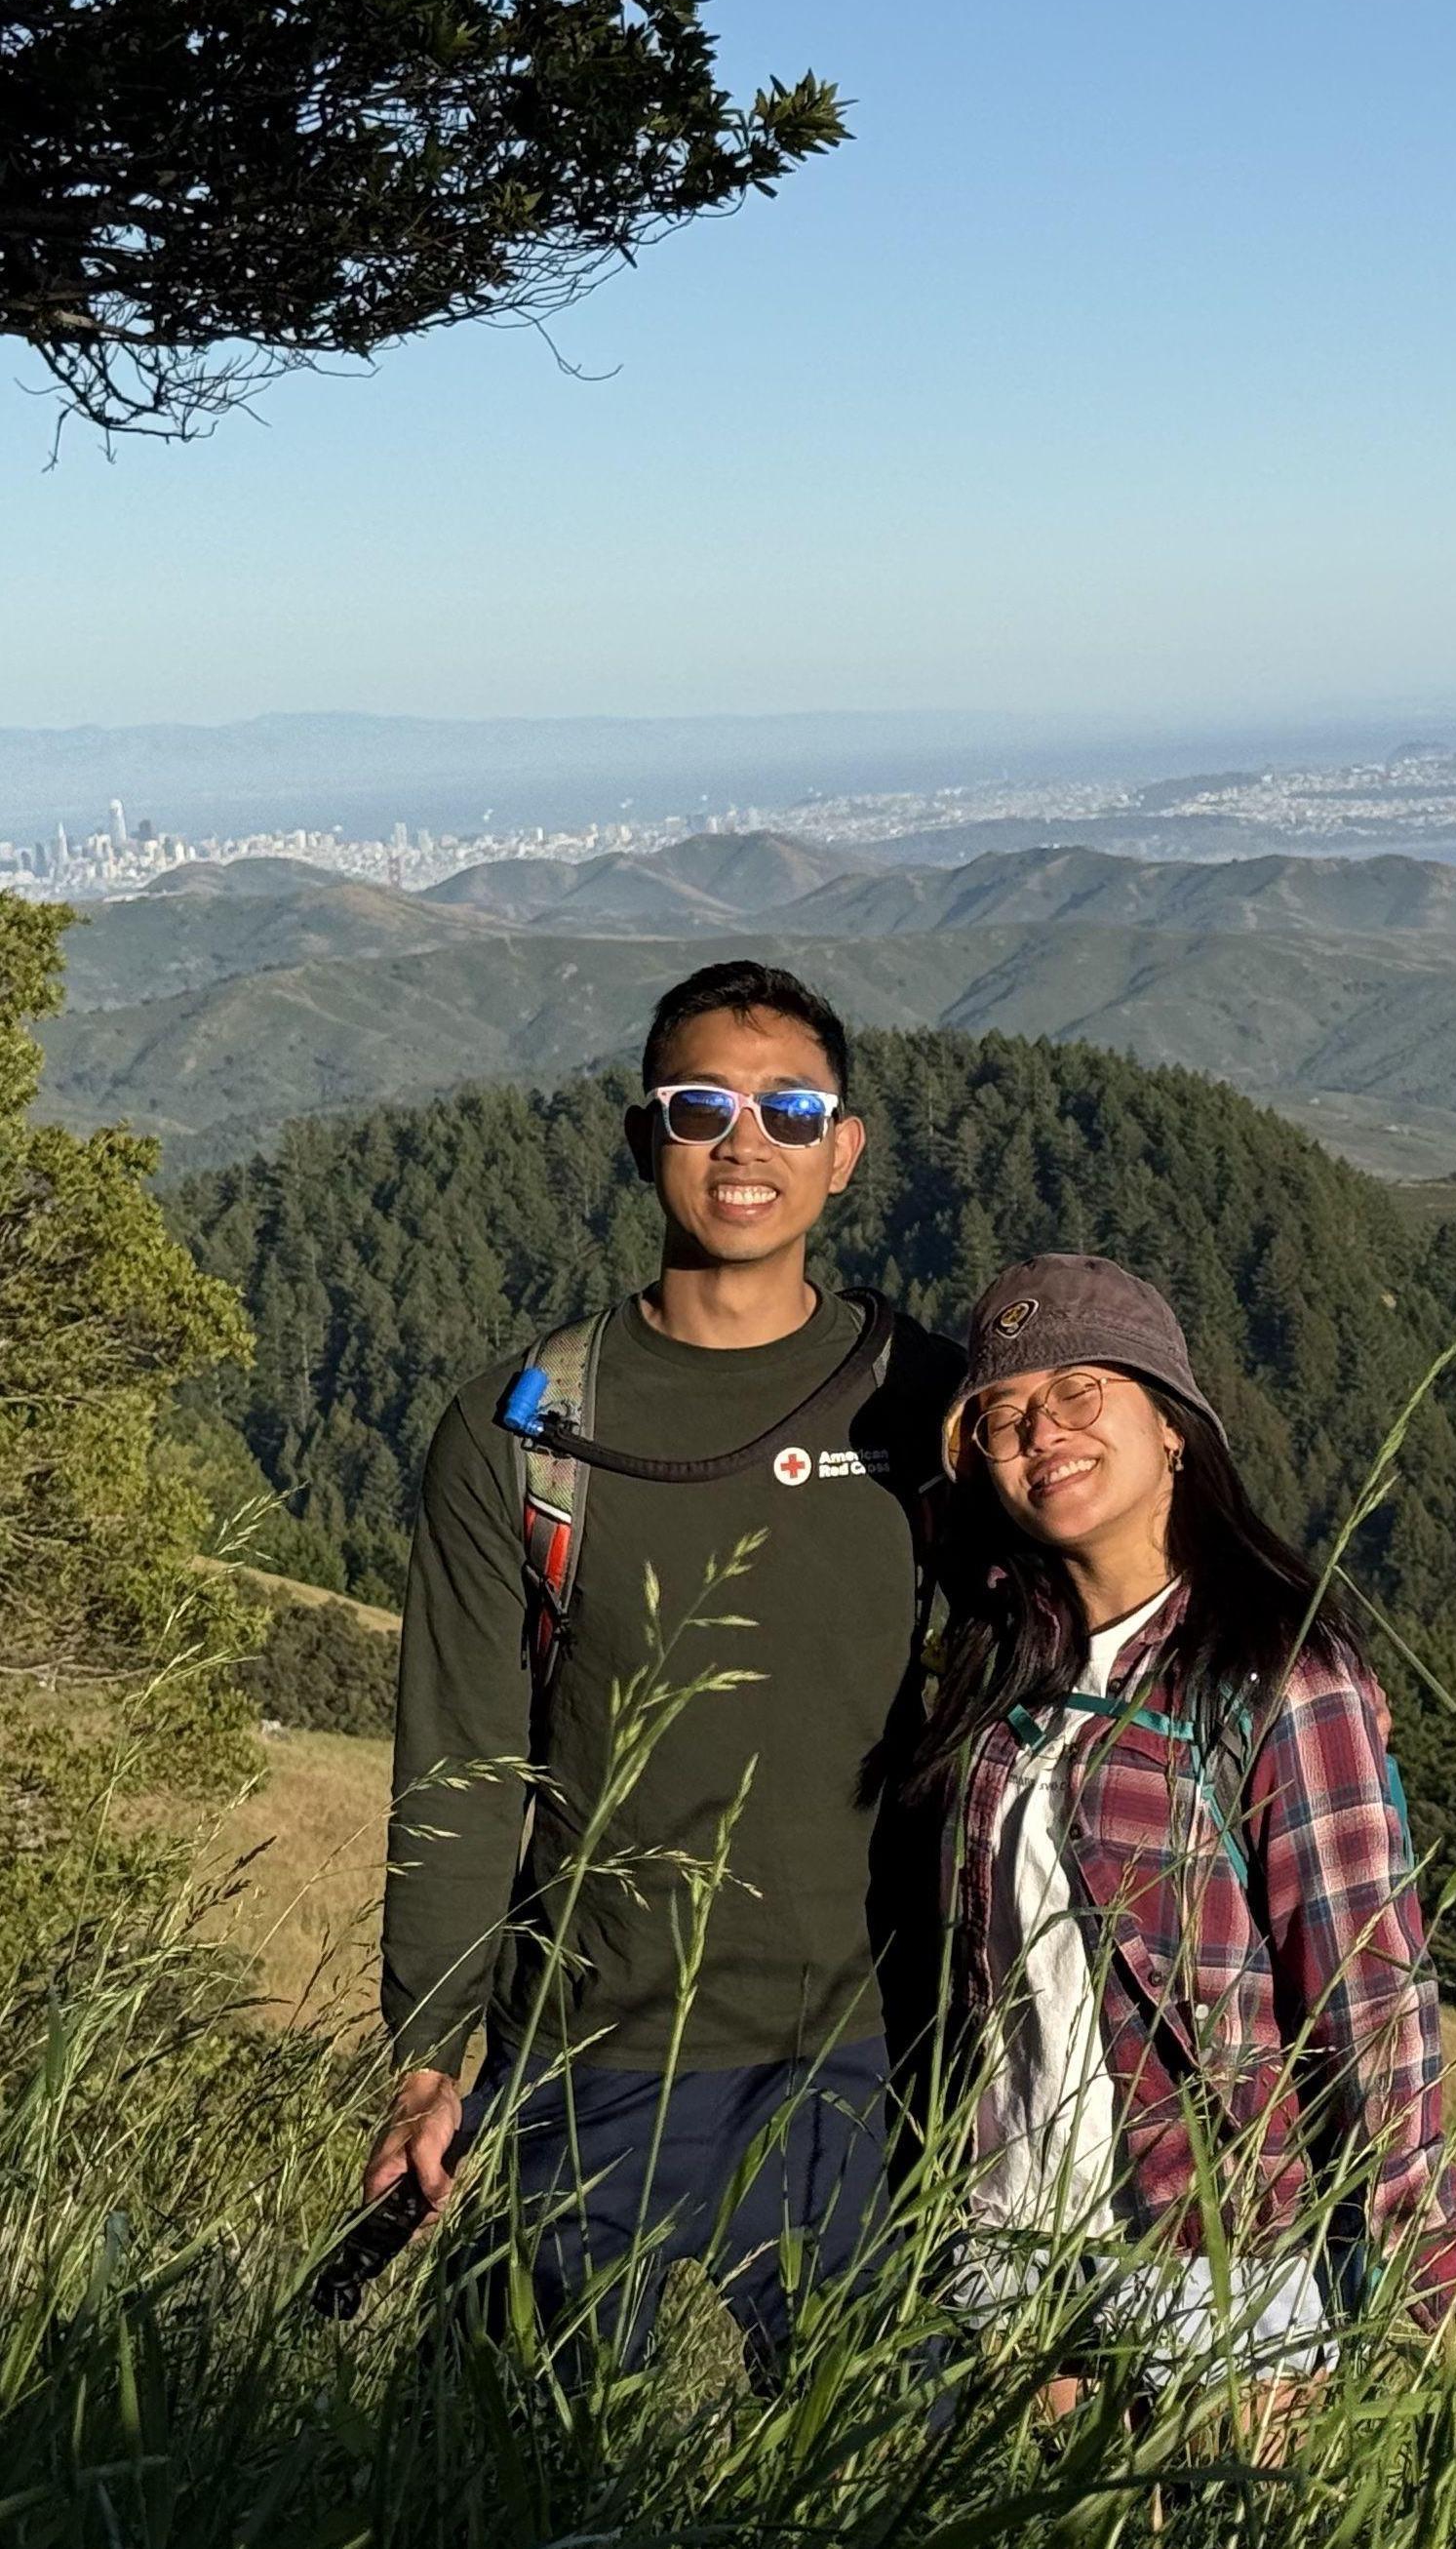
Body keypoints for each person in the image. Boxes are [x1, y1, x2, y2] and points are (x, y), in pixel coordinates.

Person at [367, 958, 957, 2368]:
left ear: (845, 1151)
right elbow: (457, 1760)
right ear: (646, 1141)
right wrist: (430, 2060)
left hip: (875, 2054)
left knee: (871, 2477)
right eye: (701, 1105)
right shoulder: (520, 1431)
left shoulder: (937, 1407)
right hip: (592, 2050)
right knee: (526, 2475)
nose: (744, 1140)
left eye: (790, 1108)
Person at [920, 1253, 1456, 2401]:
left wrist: (1437, 2279)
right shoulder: (998, 1680)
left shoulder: (1278, 1675)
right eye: (1003, 1417)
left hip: (1207, 2269)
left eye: (1080, 1392)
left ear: (1173, 1422)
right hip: (997, 2249)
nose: (1042, 1433)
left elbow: (1366, 2004)